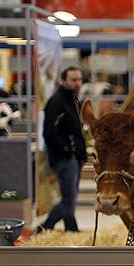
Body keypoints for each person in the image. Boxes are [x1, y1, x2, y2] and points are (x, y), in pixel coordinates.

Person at [37, 66, 86, 233]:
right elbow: (48, 132)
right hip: (64, 158)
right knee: (68, 200)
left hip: (73, 157)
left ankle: (65, 230)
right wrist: (67, 150)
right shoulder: (57, 102)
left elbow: (76, 130)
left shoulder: (73, 100)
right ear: (64, 81)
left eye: (80, 79)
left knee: (70, 199)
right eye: (74, 80)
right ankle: (49, 228)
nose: (78, 83)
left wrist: (81, 153)